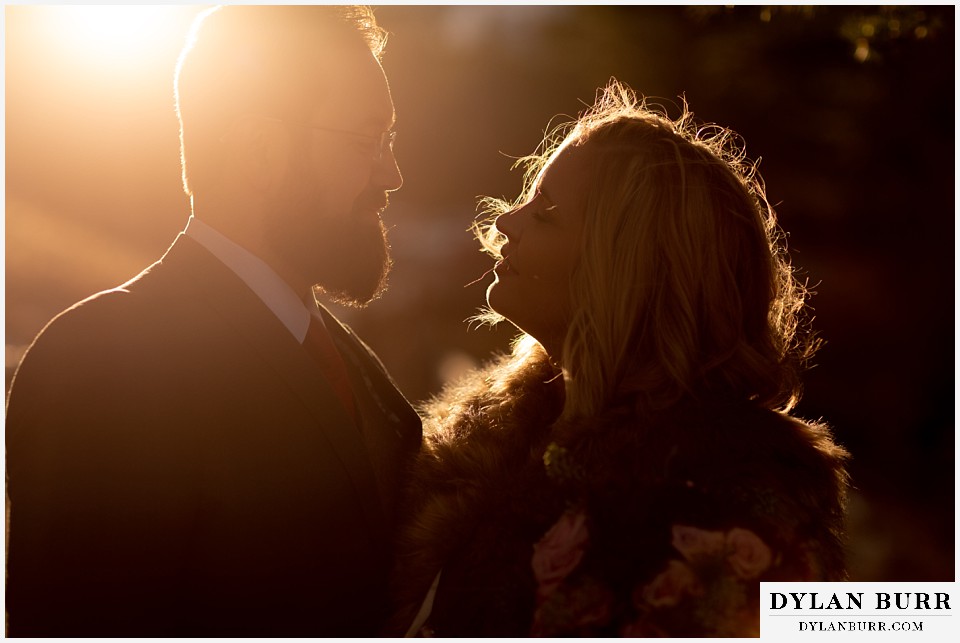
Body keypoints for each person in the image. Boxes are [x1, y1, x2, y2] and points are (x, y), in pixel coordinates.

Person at [5, 5, 421, 637]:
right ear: (261, 152)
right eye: (369, 141)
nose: (392, 174)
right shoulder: (104, 362)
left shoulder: (365, 377)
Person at [388, 80, 849, 637]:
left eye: (548, 212)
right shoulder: (496, 439)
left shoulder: (734, 489)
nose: (504, 223)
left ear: (625, 270)